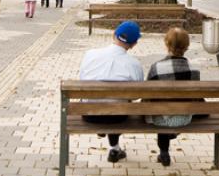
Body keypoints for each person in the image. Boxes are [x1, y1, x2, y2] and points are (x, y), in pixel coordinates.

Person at [79, 21, 144, 163]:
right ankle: (114, 148)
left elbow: (82, 79)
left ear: (113, 34)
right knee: (120, 103)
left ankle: (112, 144)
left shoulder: (90, 54)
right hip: (117, 116)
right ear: (134, 44)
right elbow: (138, 95)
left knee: (106, 101)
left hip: (89, 113)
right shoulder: (133, 64)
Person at [145, 28, 197, 166]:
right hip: (185, 118)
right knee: (176, 107)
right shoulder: (193, 70)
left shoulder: (156, 67)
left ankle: (164, 153)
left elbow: (147, 93)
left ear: (167, 45)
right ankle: (171, 134)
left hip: (160, 118)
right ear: (187, 47)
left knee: (161, 108)